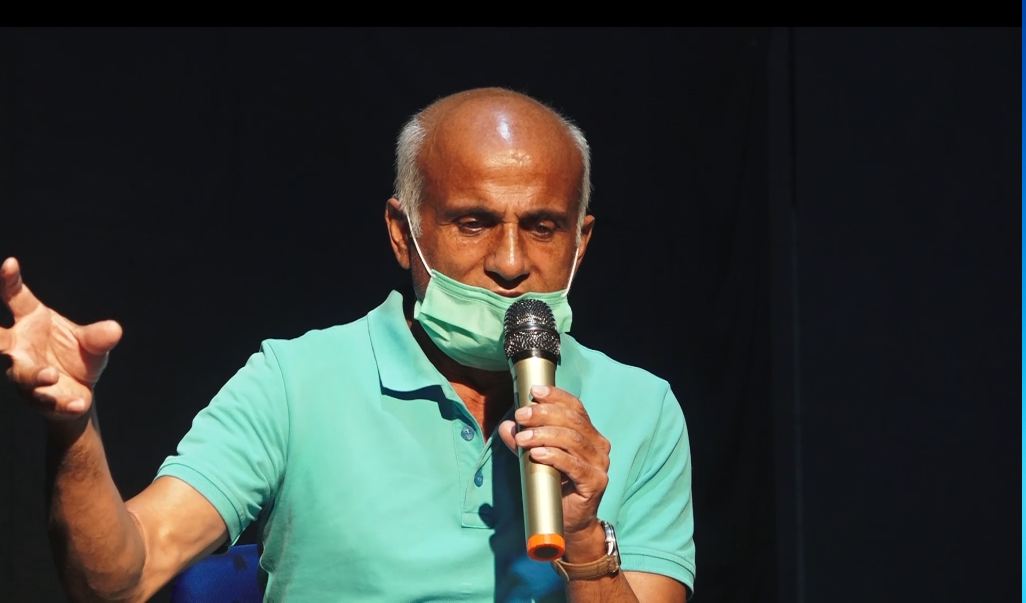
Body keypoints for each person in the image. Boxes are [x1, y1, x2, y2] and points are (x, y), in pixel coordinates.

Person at [0, 87, 695, 601]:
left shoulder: (644, 407)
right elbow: (118, 580)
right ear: (402, 234)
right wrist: (74, 428)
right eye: (473, 222)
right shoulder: (295, 382)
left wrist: (582, 537)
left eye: (542, 227)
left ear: (581, 241)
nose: (511, 263)